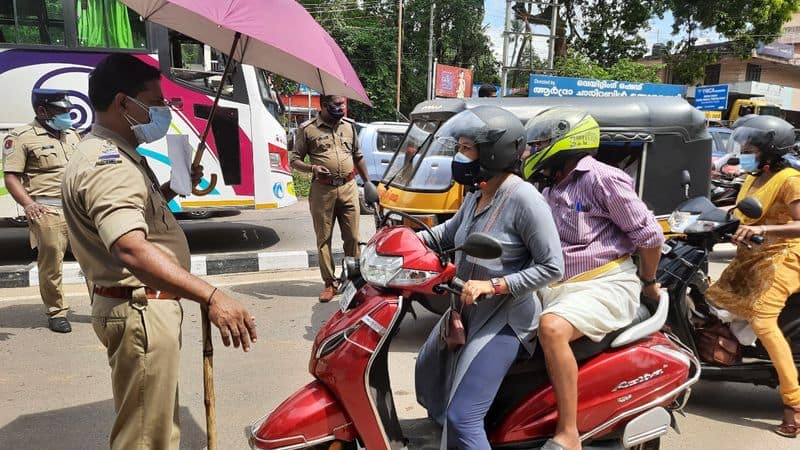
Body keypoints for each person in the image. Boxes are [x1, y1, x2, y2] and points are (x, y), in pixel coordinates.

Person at [61, 54, 257, 449]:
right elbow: (130, 248)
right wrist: (211, 295)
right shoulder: (109, 163)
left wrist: (170, 188)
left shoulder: (116, 154)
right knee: (147, 439)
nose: (163, 112)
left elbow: (137, 220)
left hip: (143, 307)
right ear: (122, 103)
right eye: (155, 104)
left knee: (158, 428)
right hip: (140, 309)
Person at [415, 105, 564, 449]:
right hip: (467, 310)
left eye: (467, 148)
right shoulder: (477, 194)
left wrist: (494, 285)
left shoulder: (525, 199)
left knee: (462, 416)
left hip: (505, 319)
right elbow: (447, 235)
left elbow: (552, 266)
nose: (459, 156)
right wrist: (398, 241)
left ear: (494, 152)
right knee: (428, 373)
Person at [522, 107, 664, 450]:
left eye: (540, 142)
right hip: (557, 285)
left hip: (604, 283)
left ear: (565, 141)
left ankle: (568, 432)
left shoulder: (601, 178)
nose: (531, 150)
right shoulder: (551, 186)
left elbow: (650, 237)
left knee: (552, 329)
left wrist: (648, 281)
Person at [705, 115, 800, 438]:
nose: (743, 149)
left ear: (769, 151)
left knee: (762, 318)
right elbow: (743, 208)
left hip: (785, 255)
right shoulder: (753, 176)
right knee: (712, 299)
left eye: (750, 145)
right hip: (753, 254)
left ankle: (794, 403)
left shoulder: (790, 179)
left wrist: (763, 229)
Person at [2, 89, 81, 333]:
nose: (66, 115)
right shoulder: (22, 137)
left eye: (67, 110)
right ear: (42, 111)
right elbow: (11, 177)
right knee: (51, 264)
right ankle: (57, 312)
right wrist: (29, 204)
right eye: (61, 111)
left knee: (94, 261)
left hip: (78, 211)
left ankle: (101, 305)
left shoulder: (72, 135)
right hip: (47, 210)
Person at [290, 94, 369, 302]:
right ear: (323, 105)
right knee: (324, 238)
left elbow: (358, 156)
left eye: (343, 103)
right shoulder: (308, 129)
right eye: (337, 104)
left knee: (352, 237)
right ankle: (329, 283)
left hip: (349, 187)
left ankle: (354, 280)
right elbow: (295, 160)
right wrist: (313, 168)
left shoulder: (349, 127)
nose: (341, 107)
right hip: (322, 191)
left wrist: (368, 183)